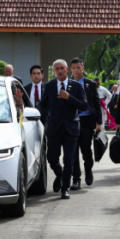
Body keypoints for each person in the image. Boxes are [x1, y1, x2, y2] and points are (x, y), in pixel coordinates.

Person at [37, 59, 88, 199]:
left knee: (69, 159)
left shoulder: (77, 86)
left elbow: (84, 106)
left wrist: (69, 97)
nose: (59, 71)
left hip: (71, 128)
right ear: (53, 71)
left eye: (62, 68)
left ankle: (65, 188)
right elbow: (43, 104)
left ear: (67, 69)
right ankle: (59, 174)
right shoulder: (49, 86)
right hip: (53, 128)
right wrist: (36, 113)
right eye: (57, 69)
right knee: (52, 158)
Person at [69, 58, 102, 190]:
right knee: (73, 152)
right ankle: (76, 179)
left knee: (86, 150)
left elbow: (97, 103)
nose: (76, 70)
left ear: (83, 68)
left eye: (79, 67)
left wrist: (99, 122)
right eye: (74, 68)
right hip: (71, 121)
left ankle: (88, 170)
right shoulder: (67, 84)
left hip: (86, 121)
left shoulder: (90, 84)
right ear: (70, 70)